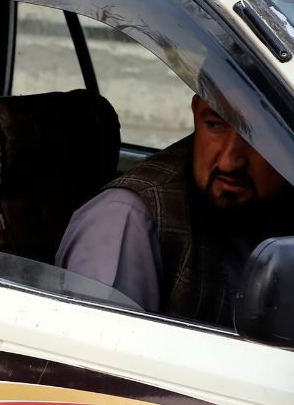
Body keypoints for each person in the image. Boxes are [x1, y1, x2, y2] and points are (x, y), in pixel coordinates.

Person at [57, 94, 294, 326]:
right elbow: (100, 355)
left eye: (259, 135)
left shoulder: (269, 208)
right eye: (214, 124)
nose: (229, 162)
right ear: (196, 110)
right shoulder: (124, 219)